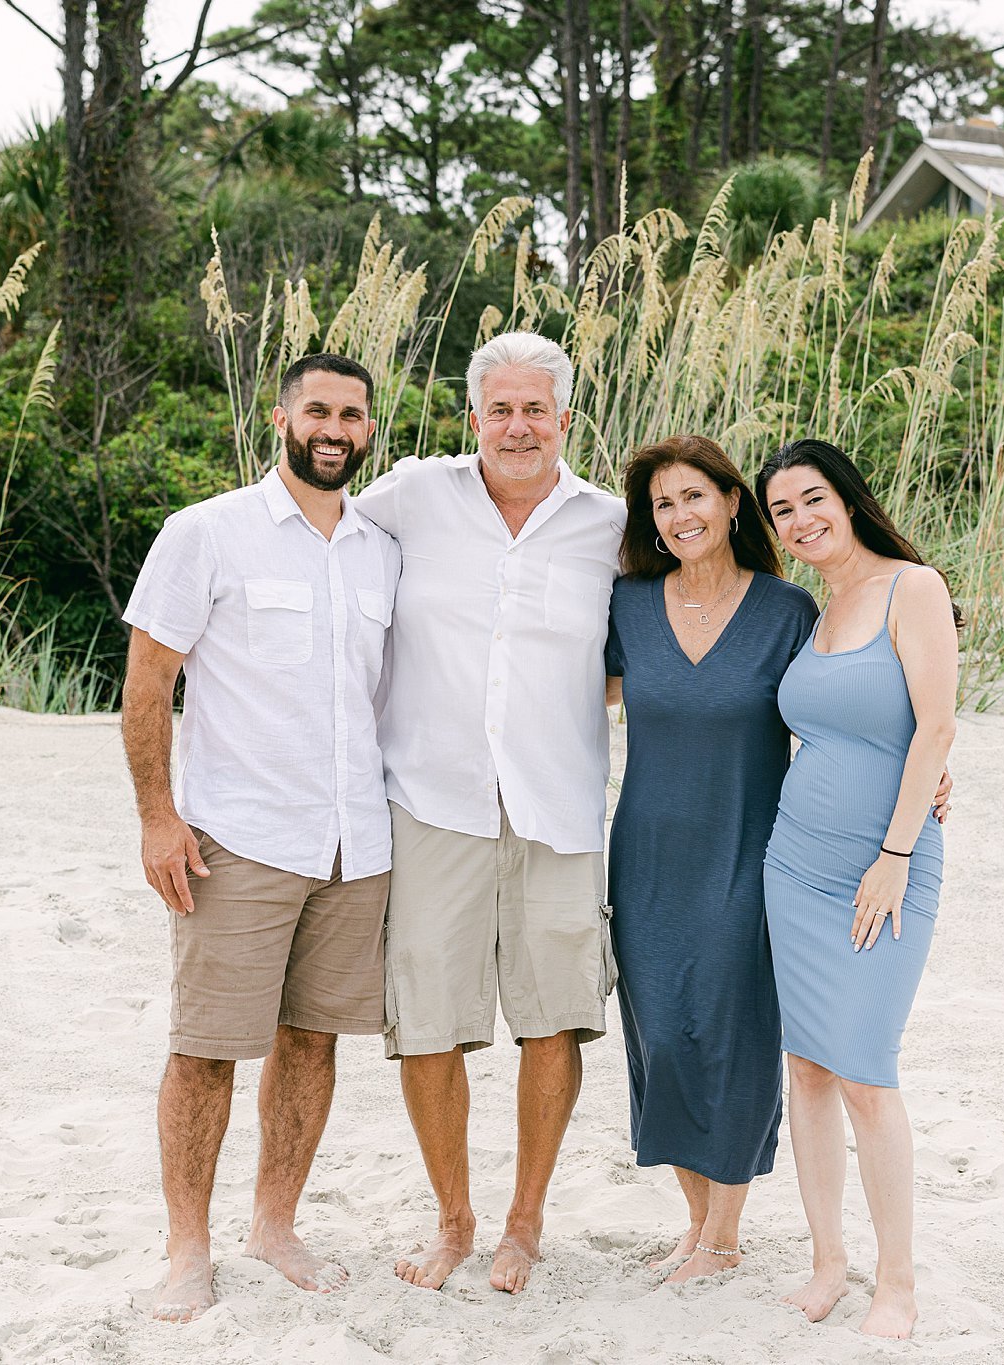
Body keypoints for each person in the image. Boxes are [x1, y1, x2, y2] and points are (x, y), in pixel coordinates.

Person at [119, 354, 400, 1322]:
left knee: (312, 1042)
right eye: (316, 409)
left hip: (351, 844)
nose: (333, 427)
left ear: (369, 429)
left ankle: (274, 1224)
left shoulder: (380, 548)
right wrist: (159, 815)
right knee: (205, 1048)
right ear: (279, 418)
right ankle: (186, 1247)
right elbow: (148, 680)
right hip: (233, 838)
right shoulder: (206, 534)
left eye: (351, 415)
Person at [351, 331, 625, 1295]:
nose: (518, 426)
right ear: (474, 419)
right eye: (500, 409)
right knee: (427, 1020)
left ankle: (524, 1222)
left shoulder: (611, 523)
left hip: (558, 805)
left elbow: (686, 627)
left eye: (536, 409)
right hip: (432, 799)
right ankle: (455, 1218)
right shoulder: (412, 496)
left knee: (555, 1018)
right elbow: (315, 538)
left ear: (563, 420)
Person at [601, 435, 818, 1283]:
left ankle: (725, 1236)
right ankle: (696, 1224)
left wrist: (924, 771)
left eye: (696, 496)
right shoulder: (628, 606)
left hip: (749, 854)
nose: (681, 514)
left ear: (735, 504)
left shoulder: (786, 612)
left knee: (731, 1034)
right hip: (647, 856)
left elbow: (838, 714)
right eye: (664, 503)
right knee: (662, 1039)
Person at [756, 437, 960, 1341]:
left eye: (812, 500)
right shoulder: (813, 610)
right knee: (806, 1064)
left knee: (867, 1072)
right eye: (782, 512)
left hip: (884, 866)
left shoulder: (912, 589)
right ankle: (828, 1262)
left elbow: (936, 728)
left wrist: (897, 851)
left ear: (848, 496)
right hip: (794, 863)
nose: (801, 521)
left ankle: (899, 1281)